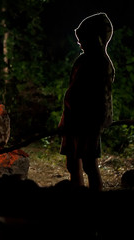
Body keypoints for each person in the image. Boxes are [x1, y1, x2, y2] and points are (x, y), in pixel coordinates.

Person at [58, 13, 115, 191]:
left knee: (90, 165)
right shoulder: (81, 61)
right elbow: (72, 91)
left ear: (95, 39)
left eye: (83, 39)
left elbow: (102, 99)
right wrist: (64, 119)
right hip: (72, 122)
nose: (80, 43)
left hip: (89, 123)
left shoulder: (102, 64)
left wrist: (98, 124)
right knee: (73, 164)